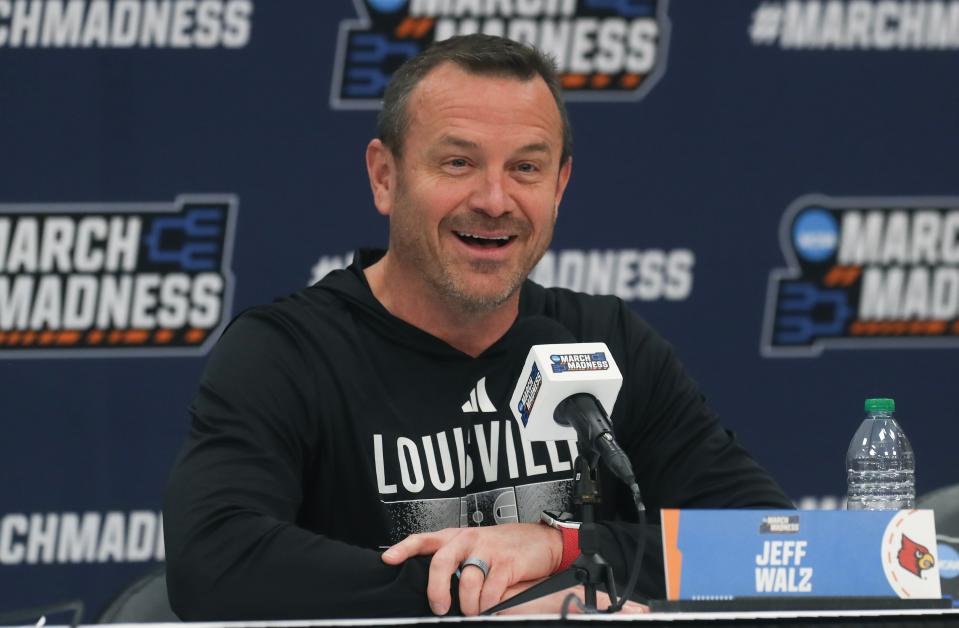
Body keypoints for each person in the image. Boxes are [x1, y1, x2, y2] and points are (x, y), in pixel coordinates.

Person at [163, 34, 792, 620]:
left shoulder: (603, 340)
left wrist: (562, 550)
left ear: (560, 185)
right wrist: (485, 601)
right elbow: (213, 561)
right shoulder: (288, 352)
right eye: (459, 162)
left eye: (526, 168)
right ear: (385, 177)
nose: (495, 200)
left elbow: (772, 546)